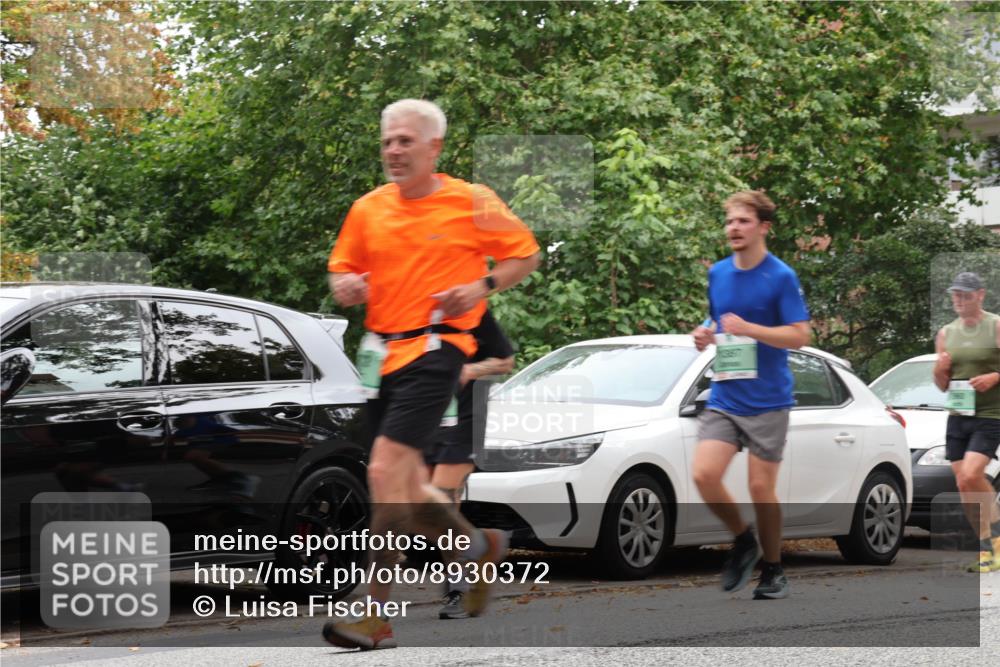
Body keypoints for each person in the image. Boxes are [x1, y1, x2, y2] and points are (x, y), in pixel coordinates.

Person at [322, 99, 540, 650]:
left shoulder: (471, 201)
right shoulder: (368, 209)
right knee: (408, 484)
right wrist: (345, 285)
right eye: (388, 141)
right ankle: (477, 546)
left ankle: (373, 613)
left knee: (385, 472)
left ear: (434, 147)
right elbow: (342, 267)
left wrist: (481, 287)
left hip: (438, 348)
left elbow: (526, 256)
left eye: (405, 141)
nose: (393, 151)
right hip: (381, 355)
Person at [690, 190, 810, 600]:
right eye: (729, 221)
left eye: (742, 221)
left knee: (761, 488)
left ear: (763, 227)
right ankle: (743, 540)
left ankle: (774, 570)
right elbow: (718, 315)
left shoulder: (781, 277)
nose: (733, 228)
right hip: (725, 393)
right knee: (704, 474)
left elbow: (800, 334)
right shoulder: (719, 273)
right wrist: (705, 330)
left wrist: (751, 330)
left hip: (769, 399)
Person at [427, 308, 515, 619]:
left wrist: (468, 371)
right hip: (422, 418)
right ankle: (484, 545)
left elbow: (505, 361)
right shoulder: (406, 306)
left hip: (464, 419)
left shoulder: (471, 308)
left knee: (445, 504)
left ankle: (458, 590)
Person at [932, 271, 1000, 573]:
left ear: (980, 295)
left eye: (966, 294)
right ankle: (987, 548)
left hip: (991, 414)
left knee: (973, 474)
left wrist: (995, 376)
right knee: (963, 483)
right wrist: (940, 368)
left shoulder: (995, 326)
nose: (959, 299)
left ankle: (997, 541)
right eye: (956, 294)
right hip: (958, 415)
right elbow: (942, 384)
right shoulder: (946, 333)